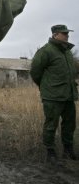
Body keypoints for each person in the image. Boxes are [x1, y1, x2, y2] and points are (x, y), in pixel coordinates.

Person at [30, 24, 78, 164]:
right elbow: (35, 72)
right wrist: (46, 87)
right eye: (64, 33)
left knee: (70, 124)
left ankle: (68, 151)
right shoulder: (46, 51)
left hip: (68, 95)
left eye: (67, 33)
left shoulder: (67, 52)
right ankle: (50, 152)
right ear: (55, 35)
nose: (67, 35)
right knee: (51, 124)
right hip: (52, 96)